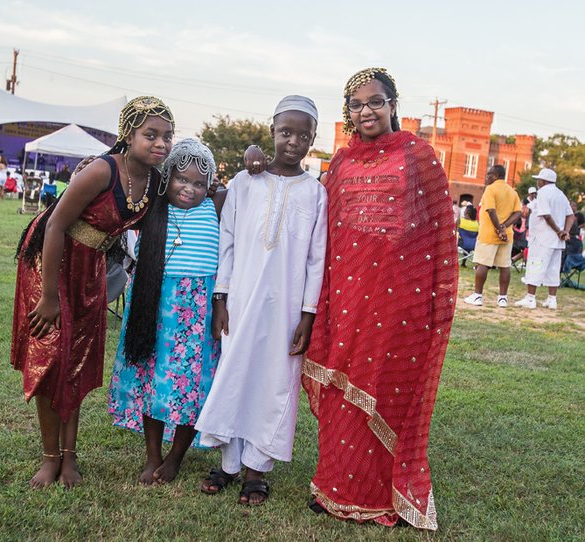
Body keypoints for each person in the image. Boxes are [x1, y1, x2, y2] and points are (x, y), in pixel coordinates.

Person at [249, 68, 457, 529]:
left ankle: (384, 495)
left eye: (375, 102)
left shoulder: (418, 156)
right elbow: (319, 225)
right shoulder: (340, 163)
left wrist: (426, 300)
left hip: (397, 299)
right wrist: (259, 169)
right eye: (357, 105)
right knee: (342, 387)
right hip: (344, 293)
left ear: (393, 105)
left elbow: (437, 232)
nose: (366, 111)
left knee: (386, 386)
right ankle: (335, 488)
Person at [11, 96, 174, 489]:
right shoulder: (101, 171)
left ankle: (70, 459)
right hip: (50, 264)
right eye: (150, 135)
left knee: (77, 361)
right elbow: (54, 227)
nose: (160, 144)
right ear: (128, 135)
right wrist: (49, 298)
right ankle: (51, 459)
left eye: (167, 136)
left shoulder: (154, 181)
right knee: (53, 361)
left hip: (91, 268)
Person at [195, 95, 328, 506]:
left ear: (312, 140)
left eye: (302, 135)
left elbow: (316, 258)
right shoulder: (244, 182)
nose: (293, 142)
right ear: (271, 132)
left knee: (273, 383)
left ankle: (257, 469)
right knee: (235, 374)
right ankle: (228, 463)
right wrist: (221, 298)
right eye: (285, 132)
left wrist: (307, 314)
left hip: (287, 308)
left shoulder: (315, 193)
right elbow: (228, 244)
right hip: (240, 300)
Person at [109, 139, 224, 485]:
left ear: (211, 185)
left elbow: (249, 187)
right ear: (167, 178)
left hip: (197, 312)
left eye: (199, 183)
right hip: (152, 305)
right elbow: (123, 179)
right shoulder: (152, 206)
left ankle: (175, 458)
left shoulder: (216, 206)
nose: (190, 189)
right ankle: (153, 455)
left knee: (192, 384)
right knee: (151, 379)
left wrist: (253, 159)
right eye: (182, 180)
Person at [515, 168, 575, 309]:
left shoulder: (542, 193)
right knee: (554, 268)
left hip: (543, 237)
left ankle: (530, 298)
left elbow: (546, 215)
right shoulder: (561, 194)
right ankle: (552, 299)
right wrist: (565, 231)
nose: (537, 182)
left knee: (535, 265)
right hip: (557, 240)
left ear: (543, 181)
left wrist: (559, 231)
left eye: (539, 179)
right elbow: (570, 215)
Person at [462, 165, 521, 307]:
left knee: (482, 264)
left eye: (489, 174)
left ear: (495, 175)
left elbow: (491, 210)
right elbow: (518, 213)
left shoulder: (490, 189)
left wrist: (498, 228)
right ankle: (503, 299)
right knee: (505, 266)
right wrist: (504, 227)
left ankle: (477, 296)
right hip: (506, 236)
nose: (486, 177)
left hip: (489, 234)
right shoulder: (512, 192)